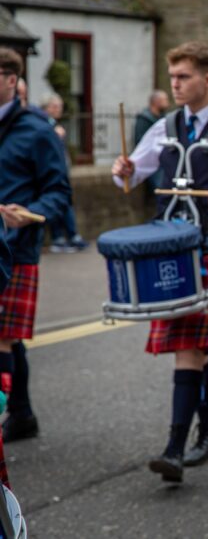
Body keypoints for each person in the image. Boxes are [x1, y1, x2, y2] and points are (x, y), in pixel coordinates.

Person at [112, 41, 208, 483]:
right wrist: (121, 170)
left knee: (188, 346)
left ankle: (175, 448)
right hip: (169, 252)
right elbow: (131, 173)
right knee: (193, 347)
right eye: (172, 76)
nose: (175, 84)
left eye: (183, 77)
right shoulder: (164, 126)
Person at [0, 47, 72, 442]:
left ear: (12, 80)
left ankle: (12, 412)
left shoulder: (38, 130)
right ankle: (22, 412)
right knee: (8, 336)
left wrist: (28, 212)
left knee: (4, 337)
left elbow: (59, 193)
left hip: (15, 246)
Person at [40, 94, 89, 253]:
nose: (59, 110)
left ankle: (66, 237)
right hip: (53, 172)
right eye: (56, 107)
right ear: (48, 108)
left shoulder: (52, 125)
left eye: (60, 106)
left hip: (59, 171)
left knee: (64, 202)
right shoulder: (47, 126)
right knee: (61, 202)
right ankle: (62, 238)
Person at [134, 90, 170, 191]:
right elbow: (140, 141)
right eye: (165, 99)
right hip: (152, 160)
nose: (168, 102)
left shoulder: (165, 118)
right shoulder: (144, 119)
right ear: (156, 101)